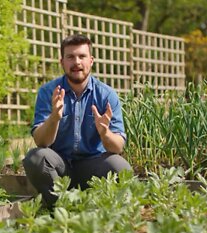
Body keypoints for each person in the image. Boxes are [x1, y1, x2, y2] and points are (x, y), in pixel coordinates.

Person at [22, 34, 132, 207]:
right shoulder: (48, 92)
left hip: (92, 166)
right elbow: (41, 141)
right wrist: (54, 118)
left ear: (91, 60)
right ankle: (61, 207)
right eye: (70, 57)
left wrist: (105, 133)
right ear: (62, 62)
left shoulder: (106, 95)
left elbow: (117, 147)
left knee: (120, 167)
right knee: (35, 158)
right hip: (59, 167)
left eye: (82, 56)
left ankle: (98, 206)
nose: (77, 62)